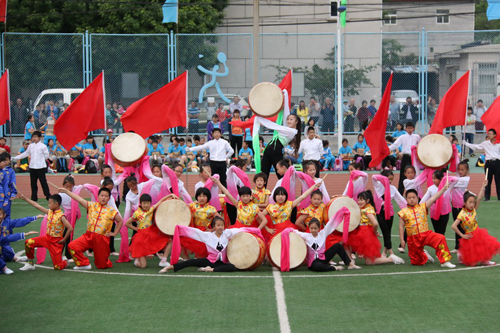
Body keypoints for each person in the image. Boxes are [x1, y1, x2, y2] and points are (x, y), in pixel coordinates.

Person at [159, 217, 261, 273]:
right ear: (214, 226)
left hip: (221, 263)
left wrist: (256, 230)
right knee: (190, 262)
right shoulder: (207, 236)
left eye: (222, 225)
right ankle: (169, 268)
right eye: (218, 225)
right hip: (210, 260)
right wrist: (180, 229)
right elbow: (194, 232)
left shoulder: (227, 233)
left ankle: (210, 269)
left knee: (232, 267)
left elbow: (240, 230)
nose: (220, 227)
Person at [61, 187, 123, 270]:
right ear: (98, 196)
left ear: (109, 198)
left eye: (106, 196)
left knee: (102, 265)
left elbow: (120, 221)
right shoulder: (91, 205)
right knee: (72, 246)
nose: (103, 197)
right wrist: (67, 191)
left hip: (101, 239)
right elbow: (79, 199)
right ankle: (84, 264)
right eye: (102, 195)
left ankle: (103, 260)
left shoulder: (112, 211)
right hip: (88, 236)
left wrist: (114, 233)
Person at [398, 187, 456, 268]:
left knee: (440, 238)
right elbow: (401, 226)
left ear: (417, 198)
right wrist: (402, 240)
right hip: (413, 239)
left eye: (413, 197)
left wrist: (443, 189)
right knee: (416, 262)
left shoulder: (423, 207)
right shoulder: (403, 212)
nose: (411, 199)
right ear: (406, 199)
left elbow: (433, 199)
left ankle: (445, 261)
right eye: (409, 198)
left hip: (426, 234)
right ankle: (424, 254)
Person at [345, 191, 405, 265]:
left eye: (361, 200)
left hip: (365, 233)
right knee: (347, 242)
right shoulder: (364, 208)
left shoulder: (368, 210)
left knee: (369, 262)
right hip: (361, 232)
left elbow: (375, 223)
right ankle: (350, 260)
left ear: (367, 200)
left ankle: (391, 259)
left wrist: (374, 231)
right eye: (358, 200)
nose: (359, 202)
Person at [18, 194, 72, 271]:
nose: (48, 205)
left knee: (57, 267)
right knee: (28, 242)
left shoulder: (61, 216)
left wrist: (64, 240)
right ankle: (30, 264)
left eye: (50, 203)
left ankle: (65, 262)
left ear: (56, 204)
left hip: (56, 243)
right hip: (46, 239)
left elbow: (70, 228)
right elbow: (36, 205)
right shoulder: (49, 212)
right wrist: (25, 198)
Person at [452, 181, 500, 266]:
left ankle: (485, 260)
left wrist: (483, 186)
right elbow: (454, 226)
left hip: (477, 232)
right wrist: (462, 235)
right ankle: (460, 254)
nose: (472, 204)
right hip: (469, 236)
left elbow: (480, 197)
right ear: (464, 203)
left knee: (486, 245)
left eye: (473, 202)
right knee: (472, 260)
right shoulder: (462, 214)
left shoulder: (474, 209)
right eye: (470, 202)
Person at [291, 218, 360, 272]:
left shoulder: (323, 233)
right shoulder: (306, 235)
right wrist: (287, 230)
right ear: (309, 228)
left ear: (319, 228)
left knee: (338, 246)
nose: (313, 230)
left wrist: (341, 212)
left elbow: (331, 223)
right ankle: (334, 268)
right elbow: (295, 231)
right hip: (313, 262)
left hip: (323, 258)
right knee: (317, 267)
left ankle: (350, 264)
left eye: (315, 228)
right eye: (311, 228)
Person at [126, 194, 172, 268]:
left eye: (148, 203)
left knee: (170, 241)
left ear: (150, 203)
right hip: (141, 237)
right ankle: (137, 261)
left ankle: (163, 260)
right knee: (143, 266)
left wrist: (170, 195)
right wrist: (137, 229)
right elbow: (127, 223)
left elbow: (160, 201)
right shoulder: (137, 213)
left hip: (152, 233)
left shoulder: (151, 209)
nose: (146, 205)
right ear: (140, 203)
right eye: (144, 203)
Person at [372, 170, 407, 257]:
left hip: (390, 212)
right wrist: (384, 180)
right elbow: (373, 177)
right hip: (380, 212)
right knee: (385, 231)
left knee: (388, 231)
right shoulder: (378, 185)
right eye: (388, 179)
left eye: (391, 179)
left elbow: (401, 200)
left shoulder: (393, 188)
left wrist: (410, 207)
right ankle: (391, 252)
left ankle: (384, 251)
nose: (390, 181)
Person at [11, 131, 51, 201]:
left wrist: (40, 160)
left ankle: (48, 196)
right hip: (32, 167)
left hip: (40, 167)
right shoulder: (30, 146)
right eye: (33, 137)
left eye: (36, 137)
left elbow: (46, 156)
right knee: (33, 183)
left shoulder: (43, 146)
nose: (34, 138)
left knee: (43, 182)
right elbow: (25, 154)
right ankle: (34, 197)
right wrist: (15, 158)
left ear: (39, 138)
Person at [464, 128, 500, 201]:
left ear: (495, 135)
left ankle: (499, 196)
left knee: (498, 180)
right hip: (489, 163)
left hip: (497, 163)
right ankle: (487, 197)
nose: (488, 135)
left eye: (490, 134)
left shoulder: (499, 144)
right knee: (487, 180)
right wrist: (466, 143)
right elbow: (476, 146)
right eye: (488, 133)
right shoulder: (485, 143)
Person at [388, 122, 421, 194]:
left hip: (413, 157)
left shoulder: (417, 137)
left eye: (411, 128)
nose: (410, 130)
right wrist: (387, 149)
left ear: (413, 129)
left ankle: (416, 192)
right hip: (405, 156)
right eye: (408, 128)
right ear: (406, 129)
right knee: (403, 175)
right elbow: (395, 145)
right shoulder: (402, 137)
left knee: (415, 174)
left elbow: (421, 145)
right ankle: (400, 193)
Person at [450, 161, 470, 253]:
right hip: (454, 207)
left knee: (463, 228)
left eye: (463, 170)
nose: (460, 171)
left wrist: (446, 178)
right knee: (457, 227)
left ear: (467, 170)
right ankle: (457, 247)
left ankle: (464, 246)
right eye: (459, 170)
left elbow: (453, 181)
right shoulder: (456, 179)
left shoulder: (465, 179)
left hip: (462, 208)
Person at [0, 153, 16, 219]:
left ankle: (6, 228)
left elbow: (7, 185)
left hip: (2, 197)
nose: (5, 163)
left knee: (5, 214)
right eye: (4, 161)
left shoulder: (5, 173)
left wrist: (12, 194)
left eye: (6, 161)